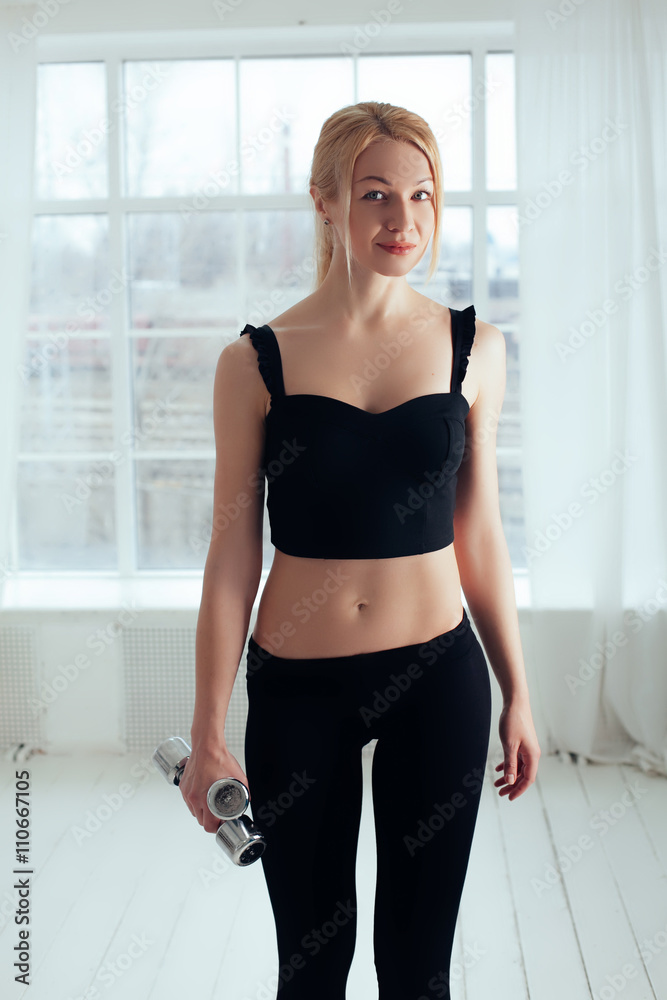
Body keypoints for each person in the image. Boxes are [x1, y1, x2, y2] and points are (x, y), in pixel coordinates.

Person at [179, 101, 541, 999]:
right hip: (298, 684)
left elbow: (481, 534)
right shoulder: (255, 361)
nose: (401, 220)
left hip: (438, 677)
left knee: (417, 972)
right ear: (324, 202)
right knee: (310, 966)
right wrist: (206, 727)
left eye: (421, 196)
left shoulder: (474, 350)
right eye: (375, 194)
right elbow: (232, 553)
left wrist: (518, 690)